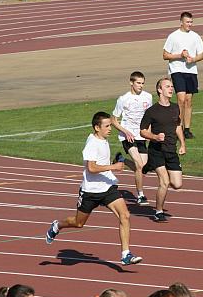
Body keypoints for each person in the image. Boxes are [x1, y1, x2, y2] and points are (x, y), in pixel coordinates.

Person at [45, 111, 142, 266]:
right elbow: (91, 168)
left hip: (107, 187)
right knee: (78, 223)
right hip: (90, 191)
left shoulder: (103, 140)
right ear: (97, 127)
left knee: (125, 215)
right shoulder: (92, 144)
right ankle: (57, 225)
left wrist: (115, 162)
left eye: (110, 125)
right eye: (107, 126)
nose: (110, 129)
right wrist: (114, 166)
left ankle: (126, 254)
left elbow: (102, 162)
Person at [140, 77, 186, 223]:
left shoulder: (175, 108)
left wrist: (183, 144)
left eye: (172, 86)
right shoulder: (152, 111)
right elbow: (143, 131)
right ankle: (158, 212)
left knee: (177, 185)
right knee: (164, 182)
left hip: (171, 150)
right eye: (167, 86)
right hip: (157, 150)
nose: (171, 89)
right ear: (160, 90)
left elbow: (178, 126)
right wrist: (154, 137)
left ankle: (149, 165)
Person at [111, 71, 154, 206]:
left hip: (141, 135)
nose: (141, 86)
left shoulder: (148, 97)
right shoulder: (123, 99)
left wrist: (149, 133)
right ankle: (140, 195)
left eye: (142, 83)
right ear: (131, 83)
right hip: (127, 136)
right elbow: (114, 120)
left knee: (142, 166)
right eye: (138, 83)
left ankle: (121, 160)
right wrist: (125, 131)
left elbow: (149, 117)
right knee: (139, 165)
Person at [162, 11, 203, 140]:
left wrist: (193, 59)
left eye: (191, 22)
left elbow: (201, 55)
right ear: (181, 22)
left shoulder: (195, 36)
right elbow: (165, 55)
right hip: (177, 70)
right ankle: (178, 127)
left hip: (191, 71)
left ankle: (187, 129)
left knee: (188, 100)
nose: (189, 24)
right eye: (187, 22)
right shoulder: (173, 36)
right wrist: (180, 55)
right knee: (180, 99)